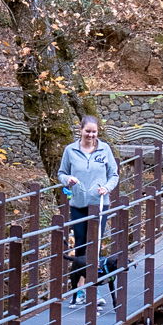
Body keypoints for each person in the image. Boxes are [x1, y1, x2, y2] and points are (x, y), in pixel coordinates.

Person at [58, 115, 119, 299]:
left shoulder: (104, 149)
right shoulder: (70, 150)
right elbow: (61, 173)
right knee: (80, 245)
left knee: (95, 245)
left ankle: (93, 288)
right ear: (81, 130)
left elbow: (114, 175)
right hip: (78, 203)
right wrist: (68, 179)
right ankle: (79, 289)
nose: (91, 135)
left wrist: (106, 188)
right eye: (88, 131)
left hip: (99, 204)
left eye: (94, 132)